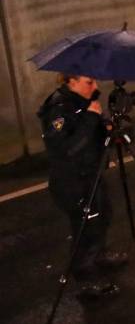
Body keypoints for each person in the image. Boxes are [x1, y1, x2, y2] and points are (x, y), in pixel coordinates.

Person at [38, 74, 126, 301]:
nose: (95, 87)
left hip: (91, 174)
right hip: (71, 181)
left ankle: (99, 255)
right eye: (89, 82)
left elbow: (92, 135)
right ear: (71, 81)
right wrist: (90, 118)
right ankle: (85, 281)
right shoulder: (58, 110)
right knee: (85, 230)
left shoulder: (83, 103)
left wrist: (106, 126)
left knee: (104, 213)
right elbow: (68, 149)